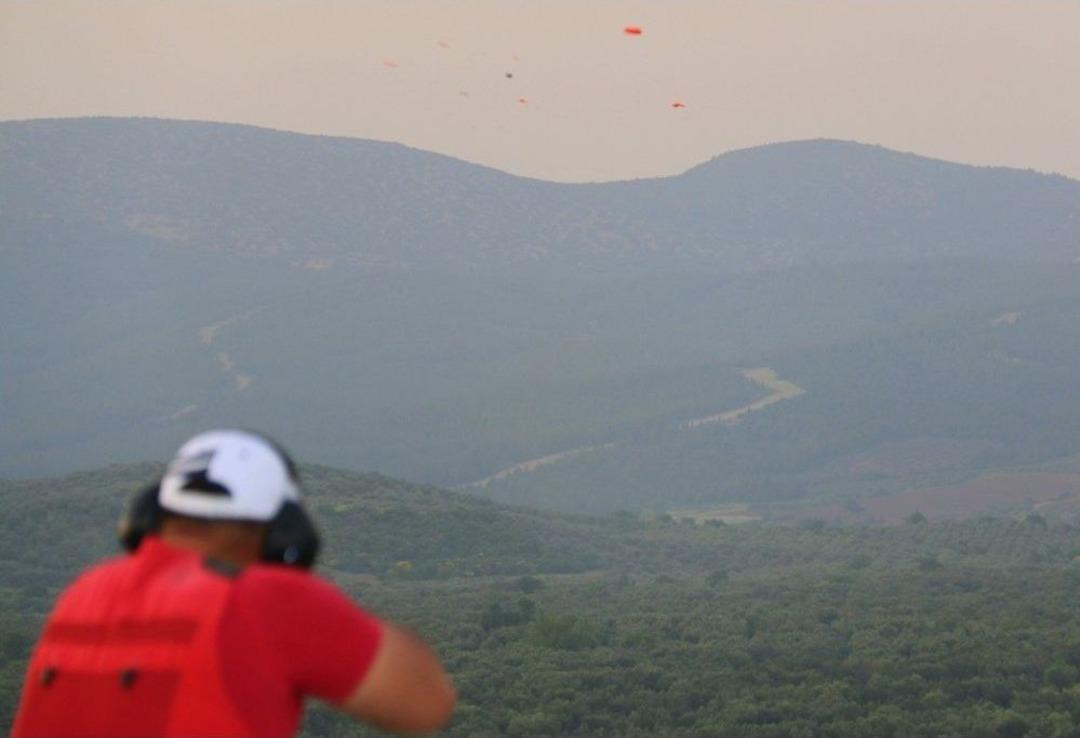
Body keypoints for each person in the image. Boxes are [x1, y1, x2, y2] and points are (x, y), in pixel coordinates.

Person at [11, 429, 456, 737]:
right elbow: (425, 704)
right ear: (286, 532)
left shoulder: (83, 592)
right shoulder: (257, 597)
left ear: (151, 513)